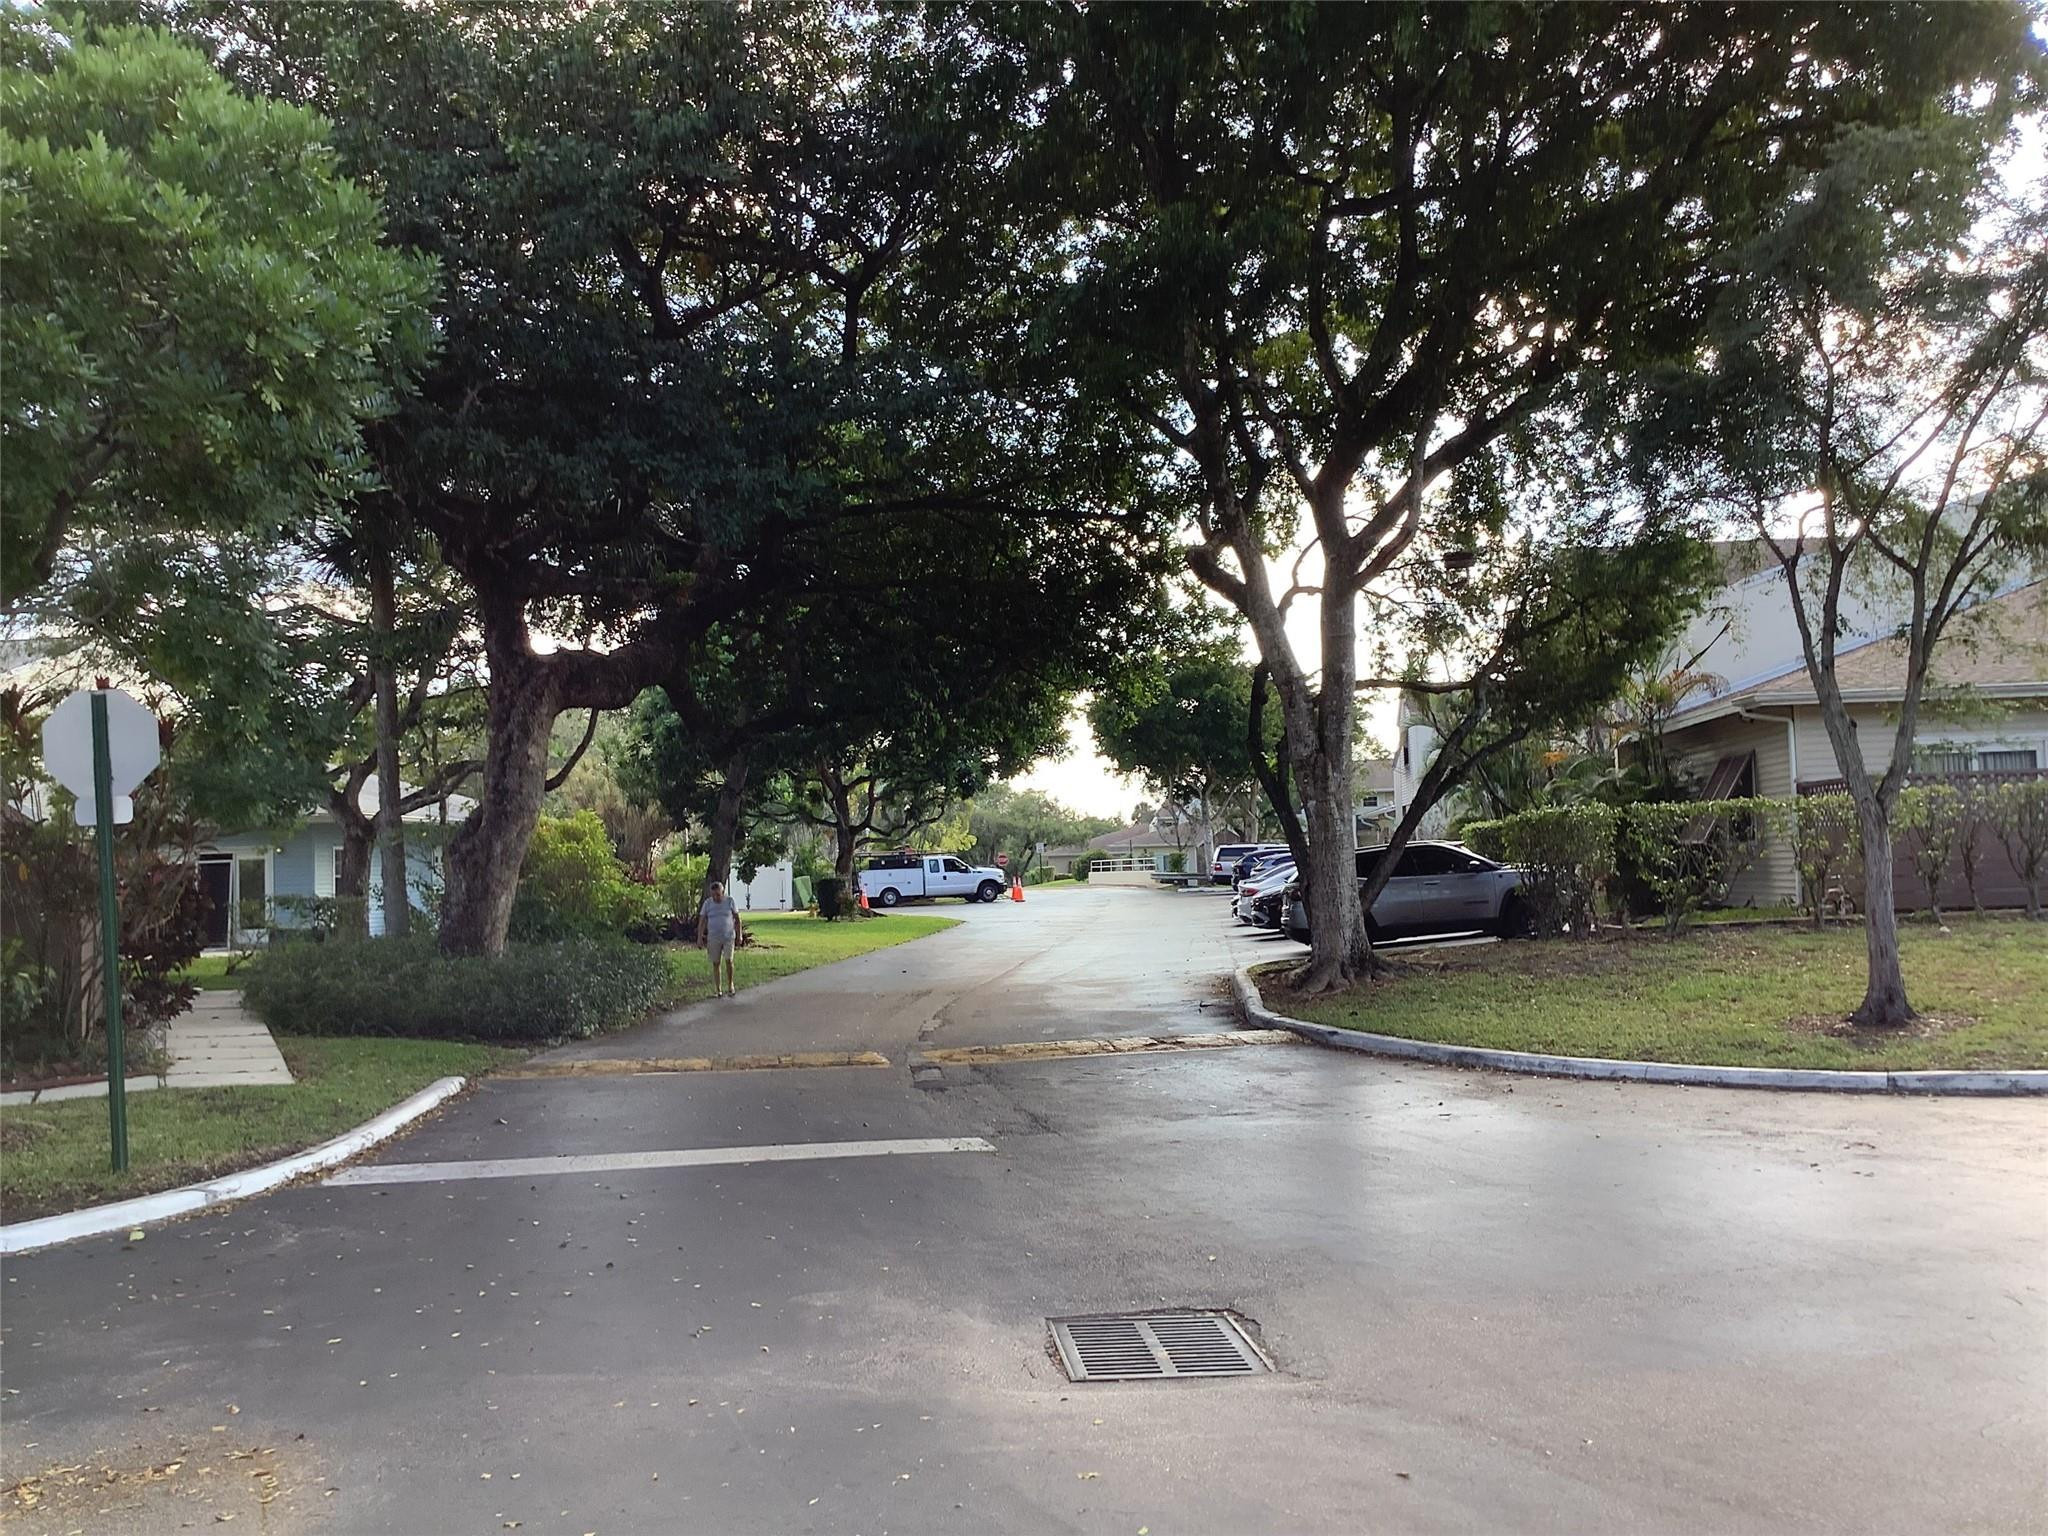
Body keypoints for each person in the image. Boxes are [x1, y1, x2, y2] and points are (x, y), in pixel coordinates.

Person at [698, 879, 742, 997]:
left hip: (728, 936)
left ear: (723, 892)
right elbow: (702, 921)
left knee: (729, 960)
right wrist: (700, 937)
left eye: (718, 894)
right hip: (713, 937)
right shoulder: (708, 903)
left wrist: (739, 935)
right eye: (713, 895)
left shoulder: (729, 901)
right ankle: (718, 989)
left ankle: (730, 985)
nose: (716, 897)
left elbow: (737, 919)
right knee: (716, 963)